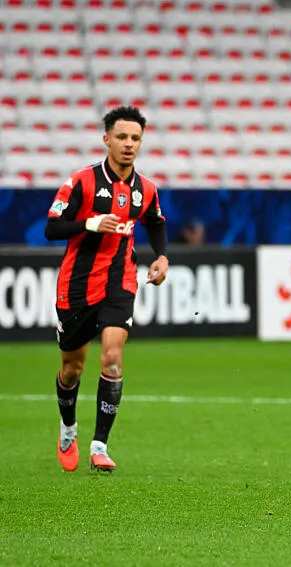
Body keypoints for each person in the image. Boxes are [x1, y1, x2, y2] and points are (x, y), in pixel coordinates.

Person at [44, 106, 169, 472]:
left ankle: (100, 445)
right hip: (77, 285)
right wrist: (90, 223)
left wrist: (162, 257)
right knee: (72, 368)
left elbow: (155, 223)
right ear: (107, 140)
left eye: (135, 139)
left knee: (112, 358)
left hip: (120, 281)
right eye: (122, 137)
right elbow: (52, 228)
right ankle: (68, 427)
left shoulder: (145, 189)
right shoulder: (82, 182)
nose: (129, 145)